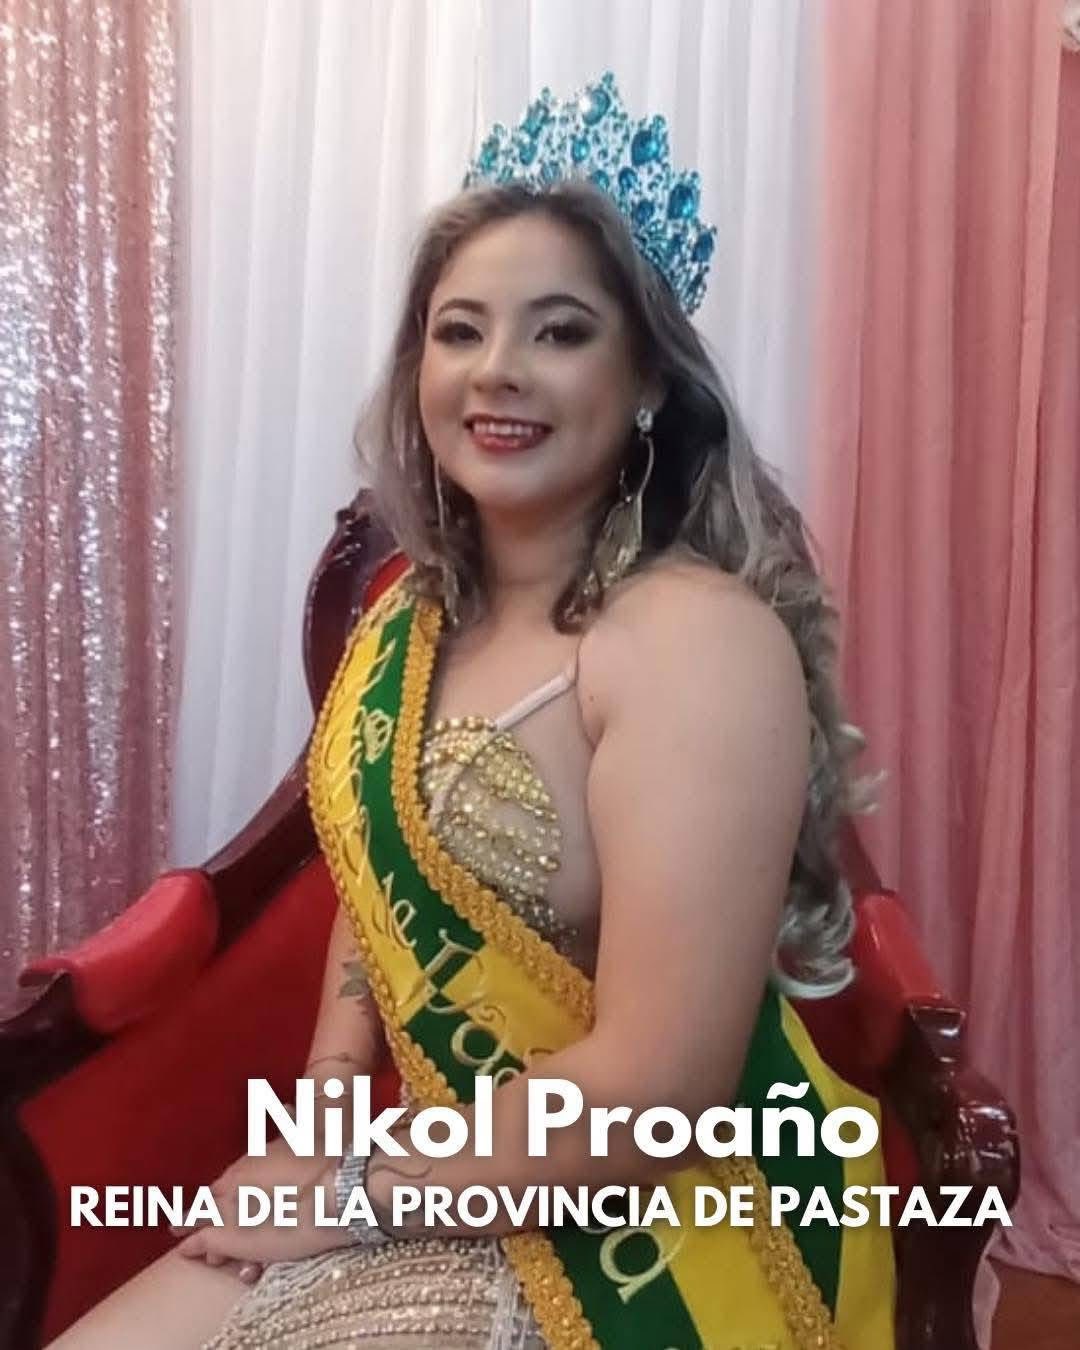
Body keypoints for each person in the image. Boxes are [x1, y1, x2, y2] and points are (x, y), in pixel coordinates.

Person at [53, 72, 896, 1349]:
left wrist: (348, 1195)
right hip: (449, 1166)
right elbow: (373, 879)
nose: (499, 371)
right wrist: (324, 1115)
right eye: (460, 331)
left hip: (674, 1225)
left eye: (560, 332)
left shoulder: (696, 646)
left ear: (648, 376)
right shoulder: (406, 616)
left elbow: (661, 1089)